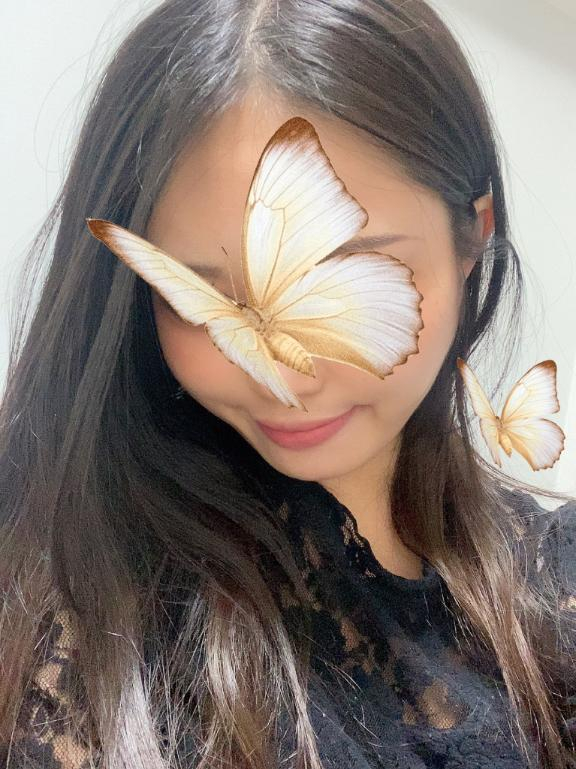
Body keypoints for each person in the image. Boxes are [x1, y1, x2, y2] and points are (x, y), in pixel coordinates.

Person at [0, 1, 574, 768]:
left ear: (472, 238)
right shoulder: (64, 592)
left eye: (341, 277)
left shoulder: (554, 575)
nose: (285, 380)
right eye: (196, 302)